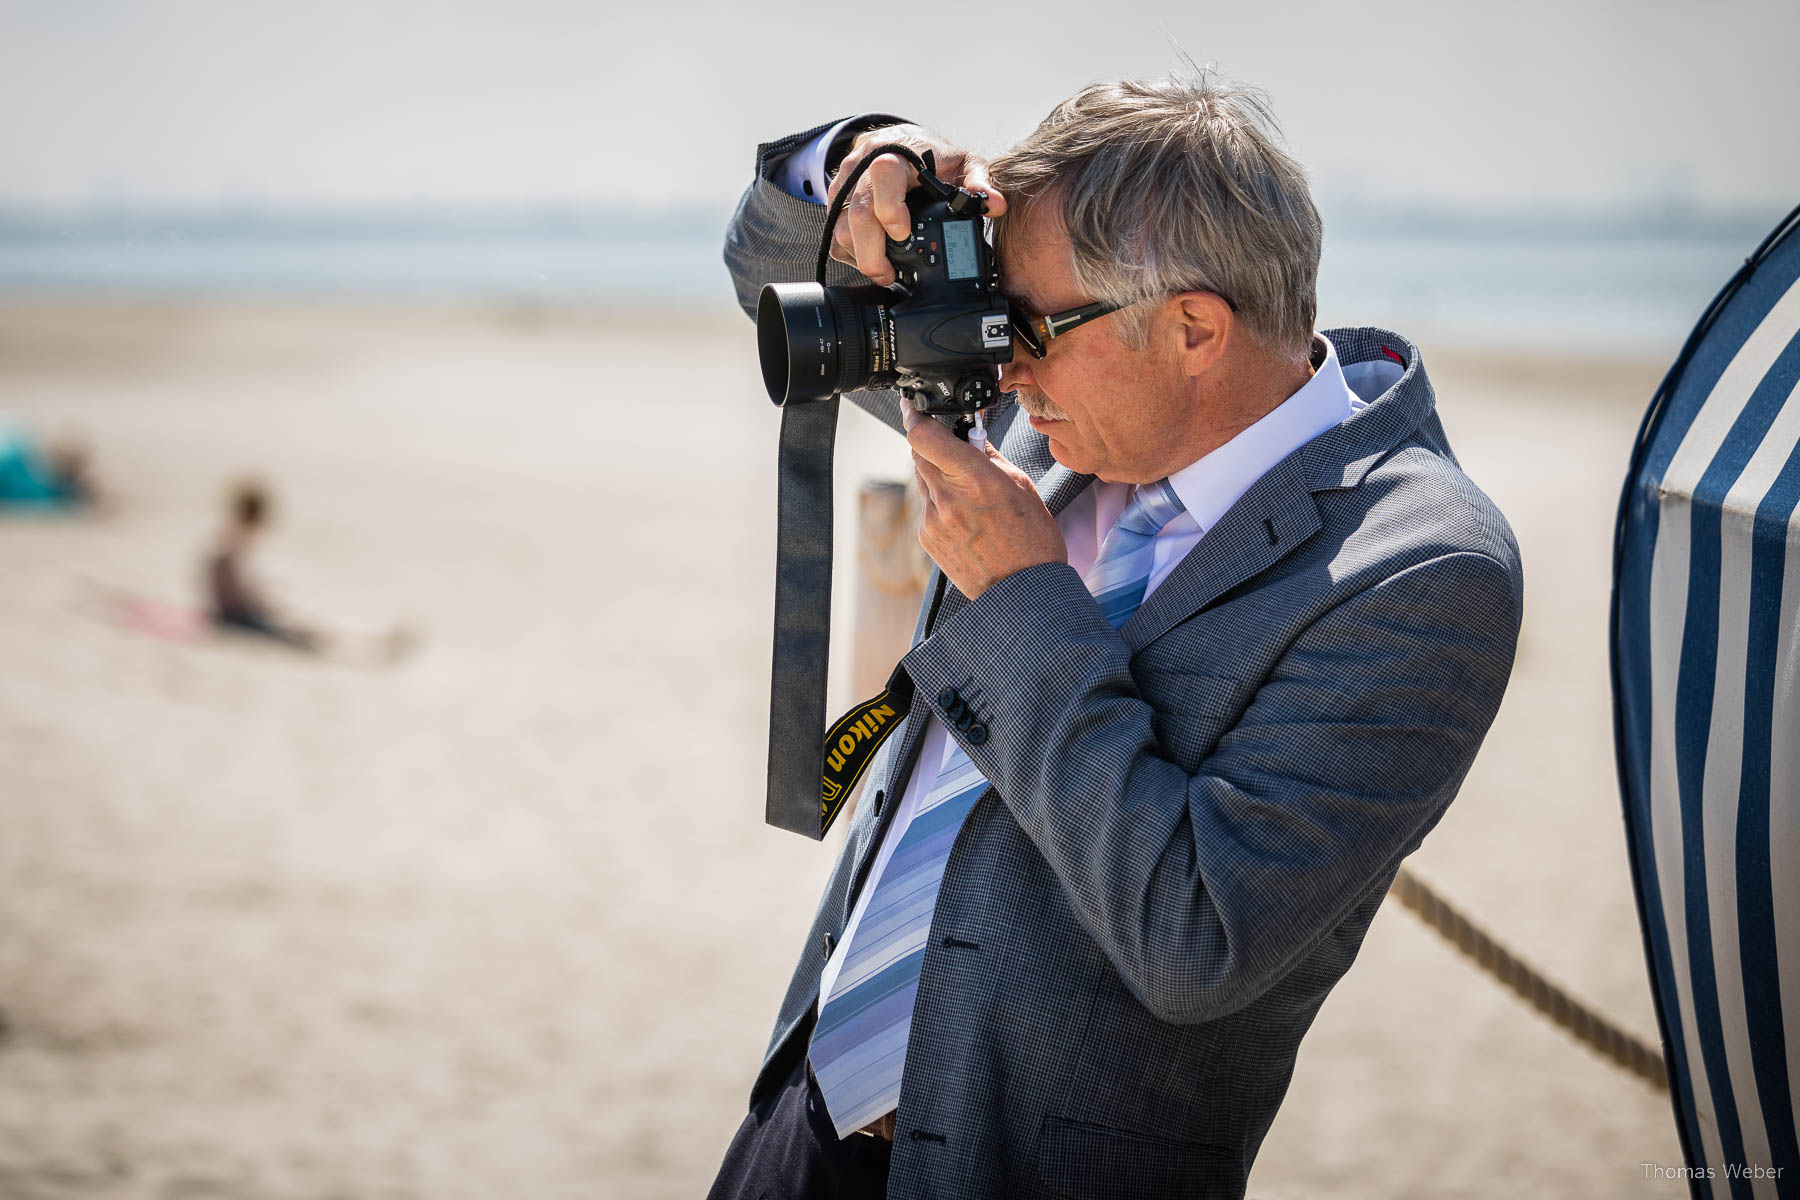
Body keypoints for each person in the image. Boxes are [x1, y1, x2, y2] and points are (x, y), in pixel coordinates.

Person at [712, 72, 1525, 1200]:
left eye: (1034, 323)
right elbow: (772, 275)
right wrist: (854, 160)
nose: (1005, 364)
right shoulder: (1055, 410)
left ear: (1193, 327)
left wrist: (1021, 602)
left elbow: (1199, 936)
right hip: (801, 1123)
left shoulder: (1424, 569)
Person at [204, 479, 322, 652]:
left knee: (293, 628)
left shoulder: (232, 540)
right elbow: (232, 591)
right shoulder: (234, 543)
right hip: (234, 615)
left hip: (233, 611)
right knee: (295, 635)